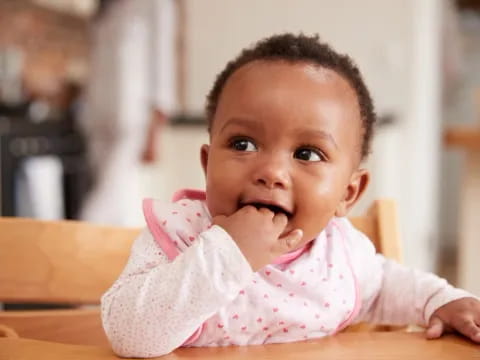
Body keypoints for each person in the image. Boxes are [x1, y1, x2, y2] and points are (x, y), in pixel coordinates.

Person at [101, 34, 480, 358]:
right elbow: (127, 333)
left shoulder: (341, 257)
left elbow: (384, 288)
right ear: (207, 164)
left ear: (348, 193)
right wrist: (228, 253)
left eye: (307, 154)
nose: (271, 172)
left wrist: (440, 301)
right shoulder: (179, 236)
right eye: (243, 143)